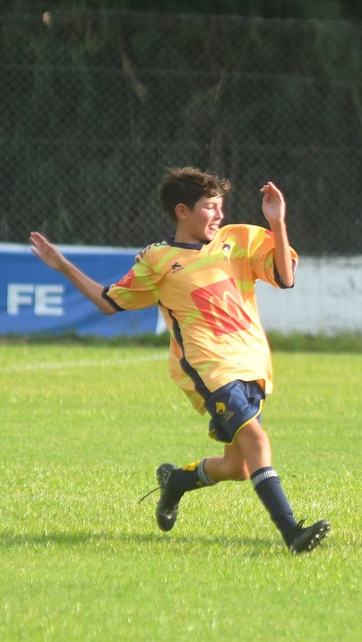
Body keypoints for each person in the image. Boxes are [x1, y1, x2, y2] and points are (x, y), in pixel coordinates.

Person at [29, 166, 330, 554]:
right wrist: (64, 266)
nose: (219, 214)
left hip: (251, 363)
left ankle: (176, 482)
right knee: (257, 440)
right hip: (209, 367)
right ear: (182, 211)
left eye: (221, 206)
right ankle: (291, 532)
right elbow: (108, 302)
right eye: (210, 207)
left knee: (239, 466)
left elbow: (285, 278)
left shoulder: (237, 240)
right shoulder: (158, 259)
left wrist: (278, 222)